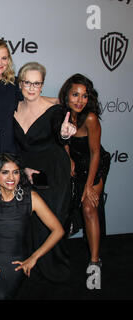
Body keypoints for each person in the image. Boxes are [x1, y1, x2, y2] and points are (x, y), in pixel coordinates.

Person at [0, 153, 64, 299]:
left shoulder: (31, 198)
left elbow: (58, 230)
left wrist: (34, 257)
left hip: (16, 263)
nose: (11, 178)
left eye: (15, 172)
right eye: (5, 172)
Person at [13, 62, 76, 283]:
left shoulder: (55, 110)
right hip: (29, 171)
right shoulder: (14, 108)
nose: (31, 87)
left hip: (52, 172)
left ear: (42, 85)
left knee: (50, 218)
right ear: (20, 83)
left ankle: (53, 266)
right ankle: (33, 262)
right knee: (31, 219)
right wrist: (22, 169)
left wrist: (66, 133)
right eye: (27, 82)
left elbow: (61, 132)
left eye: (36, 83)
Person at [59, 73, 110, 269]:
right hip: (75, 163)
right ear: (67, 95)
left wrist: (89, 186)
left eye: (84, 95)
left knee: (89, 207)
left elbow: (96, 153)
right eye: (75, 95)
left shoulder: (90, 118)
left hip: (94, 164)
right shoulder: (62, 113)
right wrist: (69, 157)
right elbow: (63, 140)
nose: (80, 100)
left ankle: (95, 262)